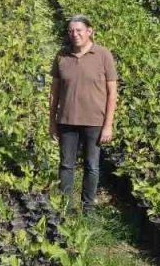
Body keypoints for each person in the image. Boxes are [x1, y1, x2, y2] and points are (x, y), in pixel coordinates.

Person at [48, 15, 118, 213]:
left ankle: (88, 208)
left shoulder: (103, 55)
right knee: (66, 165)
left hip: (94, 122)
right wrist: (52, 122)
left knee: (92, 165)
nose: (75, 34)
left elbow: (112, 93)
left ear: (90, 31)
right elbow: (54, 93)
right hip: (67, 120)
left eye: (79, 30)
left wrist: (108, 124)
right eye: (71, 31)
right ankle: (66, 208)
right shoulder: (62, 56)